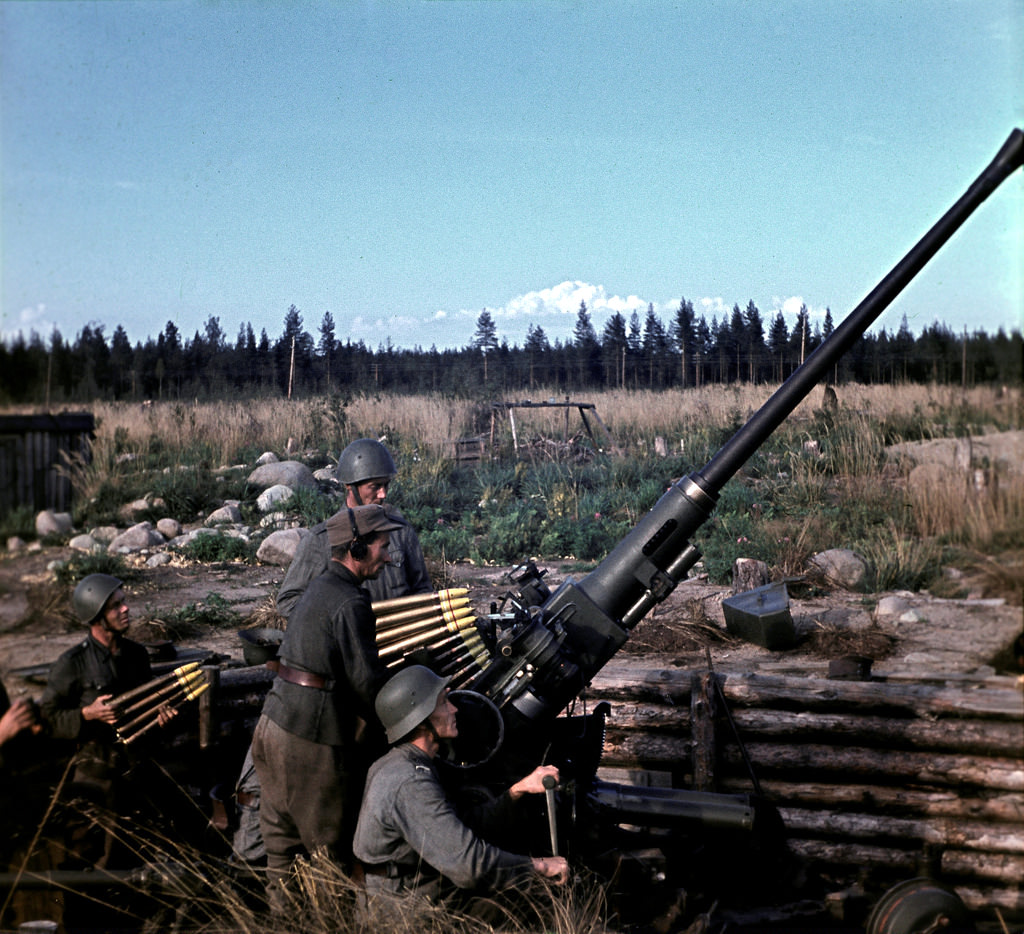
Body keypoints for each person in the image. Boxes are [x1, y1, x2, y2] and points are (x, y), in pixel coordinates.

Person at [251, 503, 403, 907]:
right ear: (356, 548)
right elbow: (366, 684)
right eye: (382, 547)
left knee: (282, 853)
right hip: (309, 740)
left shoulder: (321, 587)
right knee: (329, 859)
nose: (388, 556)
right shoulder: (351, 602)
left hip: (273, 725)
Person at [353, 665, 569, 908]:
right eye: (444, 702)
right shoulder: (410, 781)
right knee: (531, 904)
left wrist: (518, 790)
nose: (454, 709)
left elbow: (461, 829)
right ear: (421, 719)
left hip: (413, 891)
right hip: (405, 908)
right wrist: (539, 866)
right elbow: (470, 865)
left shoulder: (400, 763)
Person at [276, 438, 431, 617]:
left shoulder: (400, 531)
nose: (383, 494)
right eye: (375, 486)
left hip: (401, 637)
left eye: (386, 484)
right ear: (350, 486)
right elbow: (288, 602)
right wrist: (338, 620)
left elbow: (422, 589)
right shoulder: (320, 540)